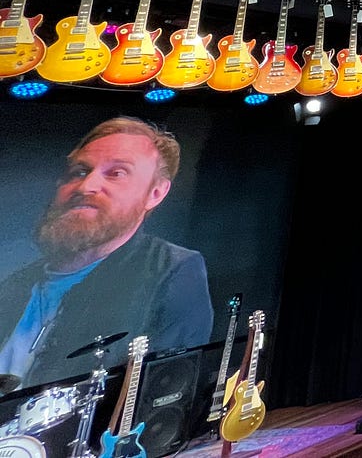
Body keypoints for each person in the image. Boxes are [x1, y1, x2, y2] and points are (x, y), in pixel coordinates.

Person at [0, 118, 213, 388]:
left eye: (116, 173)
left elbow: (164, 394)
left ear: (155, 193)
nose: (86, 186)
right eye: (79, 172)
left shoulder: (172, 271)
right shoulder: (15, 283)